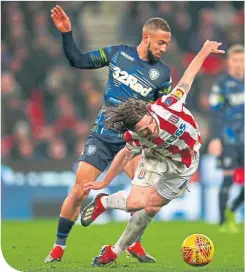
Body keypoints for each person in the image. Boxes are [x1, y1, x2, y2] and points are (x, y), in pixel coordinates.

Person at [45, 5, 172, 263]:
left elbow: (161, 111)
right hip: (104, 135)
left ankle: (134, 243)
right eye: (160, 43)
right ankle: (59, 247)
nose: (163, 49)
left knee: (145, 196)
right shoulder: (117, 54)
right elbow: (78, 60)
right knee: (80, 190)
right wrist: (67, 33)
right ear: (146, 37)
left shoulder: (163, 75)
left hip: (134, 143)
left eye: (167, 44)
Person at [81, 40, 225, 266]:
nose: (148, 130)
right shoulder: (137, 136)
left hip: (183, 165)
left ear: (149, 113)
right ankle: (109, 221)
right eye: (142, 130)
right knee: (136, 203)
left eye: (147, 124)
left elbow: (188, 78)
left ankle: (118, 246)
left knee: (152, 206)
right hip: (156, 157)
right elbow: (124, 155)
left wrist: (205, 51)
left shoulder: (169, 105)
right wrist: (103, 182)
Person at [208, 44, 244, 232]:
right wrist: (215, 138)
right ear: (229, 62)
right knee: (228, 177)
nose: (238, 64)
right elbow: (214, 112)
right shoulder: (221, 84)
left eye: (241, 60)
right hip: (229, 138)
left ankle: (232, 209)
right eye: (235, 60)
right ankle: (223, 221)